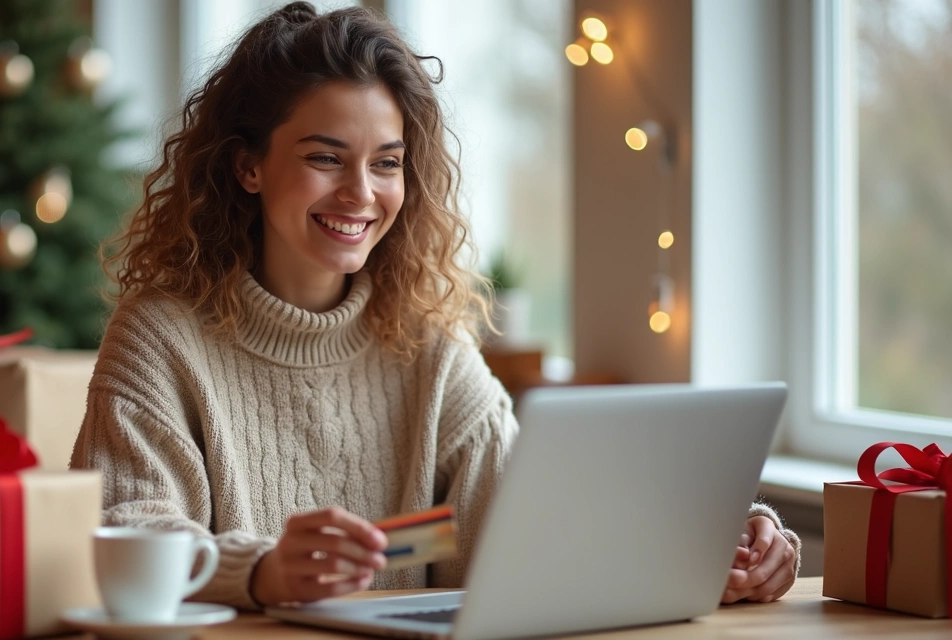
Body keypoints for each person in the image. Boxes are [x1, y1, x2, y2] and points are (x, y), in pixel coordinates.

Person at [70, 1, 800, 610]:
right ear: (247, 165)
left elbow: (533, 524)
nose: (361, 193)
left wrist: (722, 540)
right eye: (325, 157)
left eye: (387, 163)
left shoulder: (428, 347)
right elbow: (125, 529)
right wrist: (259, 572)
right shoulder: (160, 337)